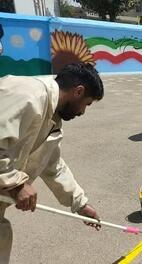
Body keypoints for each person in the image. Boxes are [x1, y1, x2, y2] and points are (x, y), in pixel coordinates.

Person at [0, 63, 104, 263]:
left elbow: (53, 166)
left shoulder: (52, 119)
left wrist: (80, 203)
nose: (83, 112)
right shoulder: (29, 96)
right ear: (78, 91)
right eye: (87, 104)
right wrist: (17, 184)